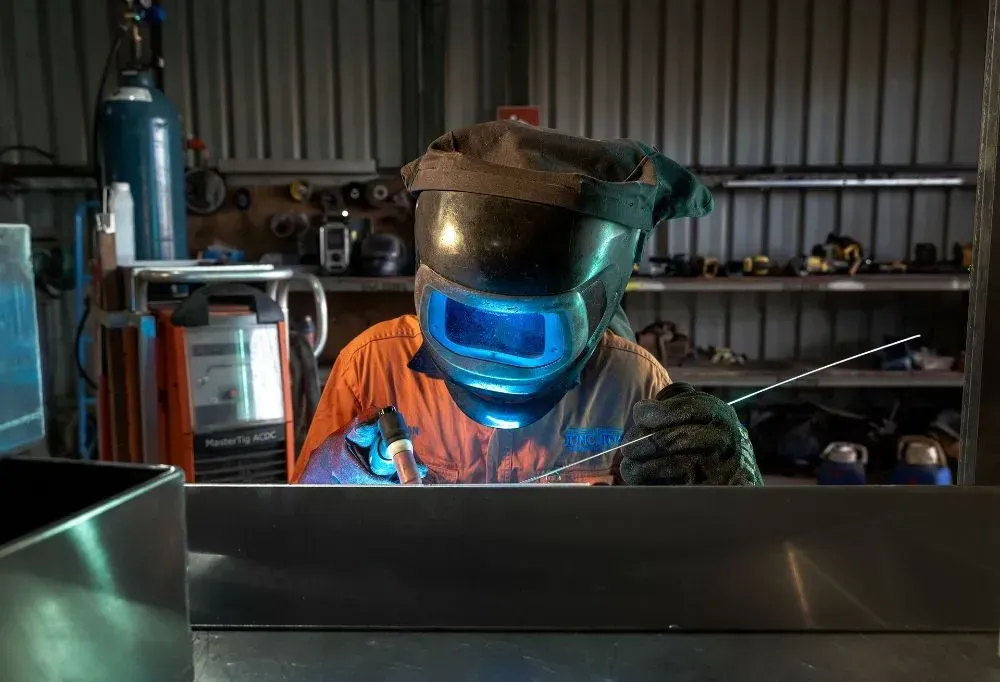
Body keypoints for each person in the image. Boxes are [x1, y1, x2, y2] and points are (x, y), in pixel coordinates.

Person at [293, 120, 762, 486]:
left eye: (528, 333)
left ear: (592, 308)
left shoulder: (630, 380)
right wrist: (353, 464)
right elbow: (303, 519)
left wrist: (724, 470)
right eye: (469, 322)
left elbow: (675, 543)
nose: (496, 350)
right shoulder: (374, 365)